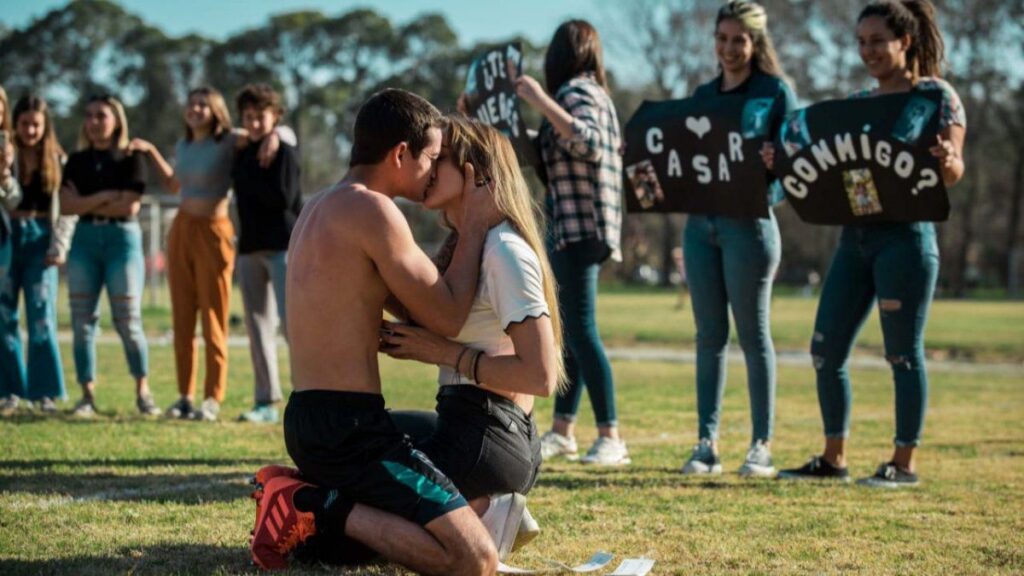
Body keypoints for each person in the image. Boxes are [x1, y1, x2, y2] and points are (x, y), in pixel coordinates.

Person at [248, 89, 501, 575]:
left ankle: (315, 506)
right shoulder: (373, 211)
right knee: (476, 560)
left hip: (312, 418)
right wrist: (472, 225)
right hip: (350, 430)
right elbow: (446, 318)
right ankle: (313, 503)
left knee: (453, 490)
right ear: (400, 154)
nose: (433, 171)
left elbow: (412, 311)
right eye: (430, 157)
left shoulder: (320, 205)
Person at [776, 0, 966, 487]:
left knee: (902, 353)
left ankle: (903, 465)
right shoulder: (857, 102)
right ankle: (833, 458)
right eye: (862, 42)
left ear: (905, 41)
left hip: (906, 239)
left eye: (878, 41)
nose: (869, 51)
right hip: (854, 239)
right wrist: (779, 158)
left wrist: (946, 160)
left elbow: (954, 169)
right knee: (825, 350)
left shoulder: (934, 97)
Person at [679, 0, 796, 478]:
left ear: (755, 42)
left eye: (739, 40)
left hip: (750, 225)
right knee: (709, 337)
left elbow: (797, 167)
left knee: (753, 337)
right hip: (699, 228)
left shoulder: (775, 92)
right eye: (722, 39)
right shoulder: (703, 94)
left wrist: (779, 161)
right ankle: (706, 445)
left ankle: (760, 446)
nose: (729, 49)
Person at [129, 86, 294, 422]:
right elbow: (176, 185)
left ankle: (211, 398)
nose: (195, 109)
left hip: (214, 230)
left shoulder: (231, 139)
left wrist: (275, 135)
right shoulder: (183, 145)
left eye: (203, 104)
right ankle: (185, 396)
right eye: (190, 104)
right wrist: (149, 151)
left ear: (216, 109)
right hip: (182, 230)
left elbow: (274, 129)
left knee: (213, 317)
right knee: (183, 318)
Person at [515, 19, 630, 466]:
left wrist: (539, 101)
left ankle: (611, 436)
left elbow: (588, 142)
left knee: (581, 330)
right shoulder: (576, 96)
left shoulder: (579, 94)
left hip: (583, 225)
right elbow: (542, 153)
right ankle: (563, 429)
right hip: (576, 225)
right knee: (572, 333)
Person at [60, 94, 157, 418]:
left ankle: (143, 391)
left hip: (122, 240)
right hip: (84, 240)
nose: (94, 121)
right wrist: (105, 196)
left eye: (101, 115)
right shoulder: (75, 161)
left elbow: (129, 206)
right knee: (82, 322)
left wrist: (86, 199)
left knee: (128, 320)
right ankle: (86, 395)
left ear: (116, 120)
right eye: (88, 115)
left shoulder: (131, 158)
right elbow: (66, 206)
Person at [231, 84, 302, 424]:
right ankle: (265, 402)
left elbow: (283, 198)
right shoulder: (241, 151)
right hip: (248, 249)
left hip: (283, 248)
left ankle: (306, 395)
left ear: (275, 117)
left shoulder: (284, 150)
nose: (254, 123)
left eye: (261, 116)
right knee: (257, 328)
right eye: (248, 117)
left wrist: (275, 139)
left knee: (294, 326)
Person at [0, 95, 75, 415]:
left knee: (42, 316)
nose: (30, 130)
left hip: (42, 239)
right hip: (7, 237)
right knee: (4, 317)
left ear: (45, 127)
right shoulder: (6, 155)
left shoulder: (58, 160)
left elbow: (67, 211)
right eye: (24, 124)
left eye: (36, 125)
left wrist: (60, 245)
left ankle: (45, 391)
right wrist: (4, 173)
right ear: (15, 125)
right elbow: (10, 202)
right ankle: (9, 390)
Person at [0, 84, 26, 416]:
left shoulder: (8, 146)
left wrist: (5, 176)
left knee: (4, 317)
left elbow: (15, 200)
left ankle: (11, 390)